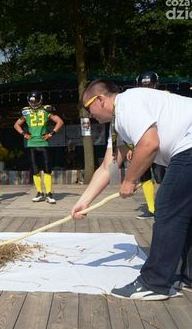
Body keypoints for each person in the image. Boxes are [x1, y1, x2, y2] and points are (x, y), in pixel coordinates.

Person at [72, 78, 192, 300]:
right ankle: (188, 276)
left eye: (88, 108)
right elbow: (108, 167)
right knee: (184, 213)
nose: (89, 115)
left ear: (100, 99)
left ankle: (155, 282)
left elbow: (149, 143)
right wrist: (84, 201)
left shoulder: (127, 103)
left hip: (188, 147)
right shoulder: (118, 123)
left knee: (167, 207)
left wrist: (130, 180)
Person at [128, 71, 167, 219]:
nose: (146, 88)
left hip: (161, 142)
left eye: (149, 85)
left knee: (161, 177)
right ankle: (151, 208)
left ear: (156, 84)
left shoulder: (165, 98)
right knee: (144, 175)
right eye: (143, 85)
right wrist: (131, 146)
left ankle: (165, 207)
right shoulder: (136, 102)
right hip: (141, 143)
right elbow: (133, 125)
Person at [14, 91, 64, 204]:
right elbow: (16, 124)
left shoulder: (46, 110)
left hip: (43, 144)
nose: (34, 104)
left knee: (47, 169)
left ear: (40, 100)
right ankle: (40, 193)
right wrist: (24, 134)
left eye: (35, 101)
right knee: (35, 170)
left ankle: (49, 193)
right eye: (32, 102)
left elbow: (60, 122)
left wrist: (51, 134)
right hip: (32, 144)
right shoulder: (26, 111)